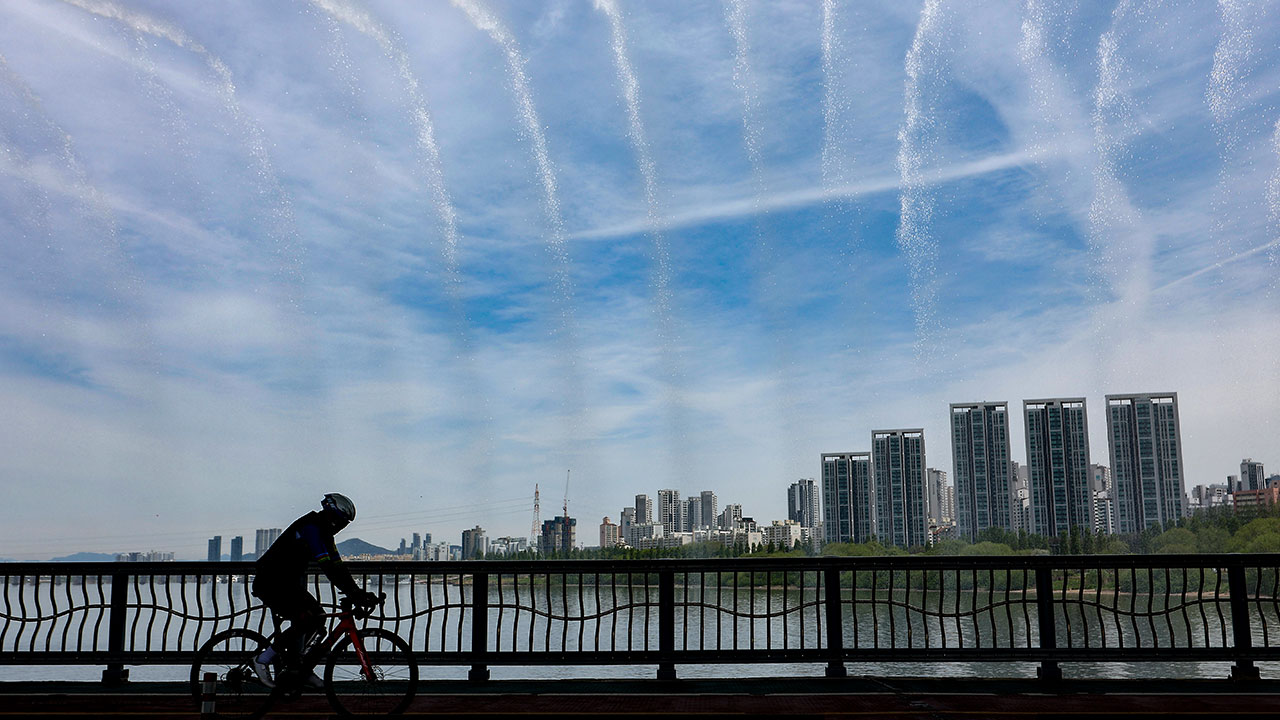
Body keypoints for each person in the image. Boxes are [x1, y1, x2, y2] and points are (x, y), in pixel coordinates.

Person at [251, 493, 379, 688]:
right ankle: (263, 659)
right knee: (305, 619)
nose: (342, 526)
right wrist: (354, 594)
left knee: (318, 617)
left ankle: (300, 669)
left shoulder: (325, 533)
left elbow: (338, 566)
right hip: (270, 582)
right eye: (342, 522)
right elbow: (328, 567)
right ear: (332, 516)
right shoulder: (311, 527)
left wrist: (357, 591)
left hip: (287, 582)